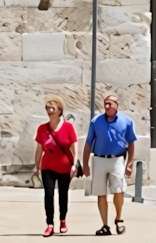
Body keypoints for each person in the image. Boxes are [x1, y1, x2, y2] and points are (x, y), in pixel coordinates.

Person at [82, 92, 137, 236]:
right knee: (101, 193)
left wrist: (129, 163)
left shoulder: (127, 122)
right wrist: (85, 164)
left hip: (117, 159)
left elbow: (131, 144)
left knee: (118, 189)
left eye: (110, 103)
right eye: (105, 103)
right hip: (99, 159)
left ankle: (119, 219)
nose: (107, 106)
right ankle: (105, 225)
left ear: (116, 105)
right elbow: (88, 143)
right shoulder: (96, 121)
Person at [34, 95, 78, 237]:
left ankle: (63, 220)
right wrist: (37, 166)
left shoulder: (68, 127)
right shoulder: (42, 128)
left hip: (65, 167)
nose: (50, 110)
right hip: (47, 167)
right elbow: (39, 148)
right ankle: (50, 224)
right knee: (48, 194)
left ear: (60, 110)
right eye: (48, 108)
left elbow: (74, 146)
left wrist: (74, 164)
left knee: (63, 194)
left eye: (53, 107)